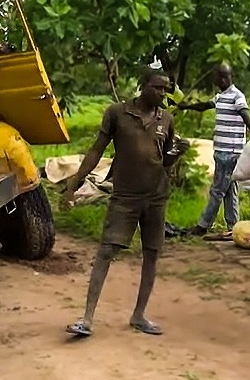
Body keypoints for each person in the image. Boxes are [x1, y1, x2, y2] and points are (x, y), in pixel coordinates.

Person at [62, 68, 188, 338]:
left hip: (156, 197)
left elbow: (163, 161)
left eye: (166, 89)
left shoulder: (165, 119)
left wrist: (176, 155)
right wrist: (73, 185)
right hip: (125, 197)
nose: (162, 94)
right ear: (142, 85)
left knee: (152, 254)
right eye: (157, 88)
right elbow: (97, 149)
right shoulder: (117, 113)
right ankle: (87, 318)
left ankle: (139, 315)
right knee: (106, 251)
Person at [178, 63, 250, 240]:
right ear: (215, 79)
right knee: (230, 191)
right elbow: (205, 105)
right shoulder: (220, 97)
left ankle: (202, 226)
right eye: (219, 76)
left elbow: (245, 114)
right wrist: (185, 107)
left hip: (230, 152)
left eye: (226, 76)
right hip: (221, 151)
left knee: (216, 191)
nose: (222, 79)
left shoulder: (237, 96)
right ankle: (233, 227)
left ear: (231, 77)